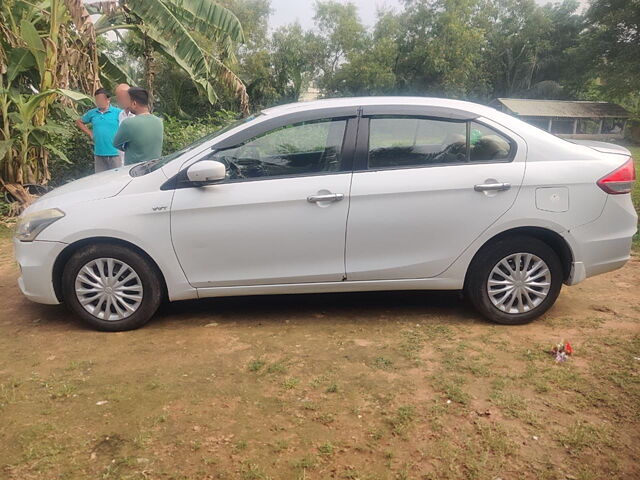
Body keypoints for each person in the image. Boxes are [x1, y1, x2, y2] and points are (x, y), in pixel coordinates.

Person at [75, 88, 123, 173]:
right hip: (99, 153)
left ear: (108, 100)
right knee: (100, 180)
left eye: (101, 99)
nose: (99, 102)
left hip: (115, 153)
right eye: (97, 100)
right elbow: (79, 122)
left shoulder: (118, 112)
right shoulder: (92, 113)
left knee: (117, 179)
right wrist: (90, 133)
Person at [113, 87, 164, 164]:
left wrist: (128, 147)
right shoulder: (159, 122)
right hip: (154, 170)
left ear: (134, 104)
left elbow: (116, 143)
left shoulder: (128, 123)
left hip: (134, 171)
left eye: (127, 101)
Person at [114, 83, 135, 164]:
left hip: (135, 161)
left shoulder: (137, 115)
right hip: (122, 160)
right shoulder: (120, 114)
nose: (119, 100)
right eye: (117, 97)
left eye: (121, 97)